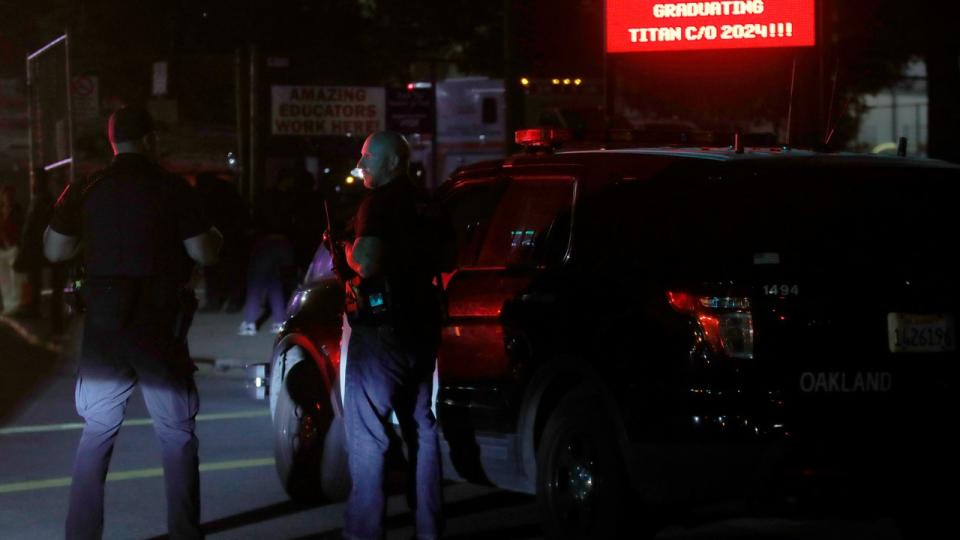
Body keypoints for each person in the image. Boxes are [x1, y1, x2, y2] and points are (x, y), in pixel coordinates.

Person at [43, 105, 222, 540]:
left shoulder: (85, 187)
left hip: (104, 323)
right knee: (176, 434)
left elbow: (54, 250)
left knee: (97, 432)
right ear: (150, 140)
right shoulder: (172, 188)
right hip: (159, 324)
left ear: (112, 142)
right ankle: (183, 532)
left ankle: (81, 535)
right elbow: (203, 252)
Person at [334, 131, 444, 540]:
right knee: (421, 426)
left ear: (393, 162)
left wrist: (345, 248)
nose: (361, 165)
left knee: (367, 433)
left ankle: (364, 531)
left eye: (368, 158)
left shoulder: (378, 204)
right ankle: (430, 528)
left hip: (382, 332)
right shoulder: (427, 203)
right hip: (422, 328)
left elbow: (367, 263)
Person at [0, 184, 25, 314]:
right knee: (4, 278)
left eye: (10, 195)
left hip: (14, 247)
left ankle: (15, 304)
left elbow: (22, 228)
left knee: (15, 278)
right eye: (5, 195)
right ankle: (8, 304)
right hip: (2, 248)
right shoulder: (0, 210)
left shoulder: (18, 210)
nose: (7, 197)